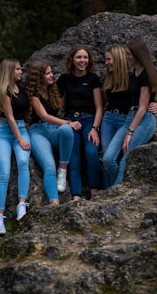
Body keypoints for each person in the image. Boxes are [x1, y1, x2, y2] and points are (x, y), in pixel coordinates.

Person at [102, 38, 157, 185]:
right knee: (108, 159)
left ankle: (115, 196)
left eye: (128, 54)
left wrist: (130, 132)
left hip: (143, 120)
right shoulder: (134, 73)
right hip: (130, 117)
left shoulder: (145, 75)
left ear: (137, 55)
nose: (126, 57)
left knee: (125, 161)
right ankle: (116, 190)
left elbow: (142, 107)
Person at [24, 59, 81, 205]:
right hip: (38, 132)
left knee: (67, 130)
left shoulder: (53, 90)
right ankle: (54, 202)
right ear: (39, 77)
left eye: (51, 72)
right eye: (48, 73)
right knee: (49, 166)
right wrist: (69, 122)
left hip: (54, 131)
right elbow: (44, 116)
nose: (51, 76)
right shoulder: (34, 95)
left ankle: (63, 169)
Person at [57, 44, 103, 200]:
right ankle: (76, 194)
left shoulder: (93, 79)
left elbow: (99, 108)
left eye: (85, 57)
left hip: (89, 119)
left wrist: (95, 128)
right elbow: (55, 100)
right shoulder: (64, 79)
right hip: (70, 120)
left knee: (91, 152)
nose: (82, 60)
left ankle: (94, 190)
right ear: (72, 59)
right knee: (74, 157)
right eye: (78, 57)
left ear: (89, 60)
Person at [0, 58, 31, 235]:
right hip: (4, 133)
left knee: (23, 163)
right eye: (17, 69)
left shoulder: (21, 89)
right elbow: (9, 118)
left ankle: (21, 204)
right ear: (9, 71)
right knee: (4, 173)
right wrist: (20, 139)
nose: (21, 71)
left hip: (22, 128)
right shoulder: (4, 91)